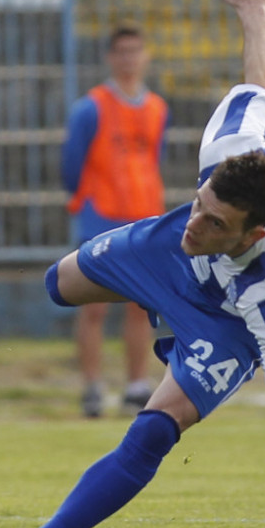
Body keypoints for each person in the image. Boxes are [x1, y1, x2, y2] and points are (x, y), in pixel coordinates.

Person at [0, 0, 265, 528]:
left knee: (154, 434)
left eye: (216, 222)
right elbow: (264, 84)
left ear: (254, 233)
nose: (200, 221)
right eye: (201, 204)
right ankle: (160, 306)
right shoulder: (229, 146)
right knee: (58, 287)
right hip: (167, 255)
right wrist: (254, 11)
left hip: (226, 318)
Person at [61, 23, 170, 417]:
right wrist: (86, 199)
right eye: (121, 52)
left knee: (141, 306)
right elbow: (71, 164)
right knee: (93, 307)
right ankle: (92, 386)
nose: (128, 59)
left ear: (145, 56)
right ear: (110, 57)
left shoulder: (158, 108)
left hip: (143, 217)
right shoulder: (91, 107)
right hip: (100, 215)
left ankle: (135, 385)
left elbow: (154, 157)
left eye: (135, 51)